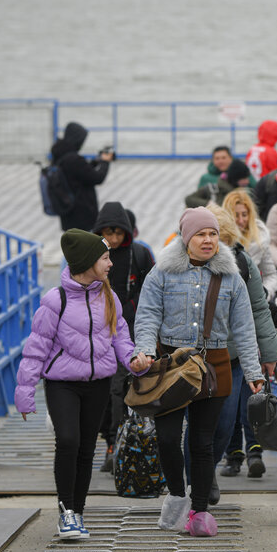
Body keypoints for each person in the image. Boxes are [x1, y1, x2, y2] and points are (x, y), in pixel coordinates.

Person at [134, 207, 265, 537]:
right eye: (200, 234)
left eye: (213, 234)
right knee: (166, 438)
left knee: (202, 443)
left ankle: (200, 510)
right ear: (185, 238)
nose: (208, 240)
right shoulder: (161, 273)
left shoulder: (230, 276)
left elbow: (244, 327)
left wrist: (252, 371)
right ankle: (178, 494)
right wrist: (145, 352)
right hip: (171, 367)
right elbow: (147, 315)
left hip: (213, 365)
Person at [15, 229, 151, 539]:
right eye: (105, 258)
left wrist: (135, 362)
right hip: (62, 384)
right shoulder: (55, 300)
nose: (110, 263)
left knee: (86, 449)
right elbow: (36, 348)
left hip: (98, 383)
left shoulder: (109, 295)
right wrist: (25, 392)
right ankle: (66, 513)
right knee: (68, 441)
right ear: (87, 262)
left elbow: (122, 340)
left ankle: (77, 511)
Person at [204, 206, 277, 490]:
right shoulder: (181, 266)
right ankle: (201, 480)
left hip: (232, 356)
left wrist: (270, 352)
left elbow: (259, 309)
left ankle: (209, 470)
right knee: (200, 424)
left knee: (225, 423)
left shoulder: (242, 262)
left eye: (219, 238)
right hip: (193, 359)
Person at [91, 202, 156, 472]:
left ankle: (118, 441)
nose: (114, 239)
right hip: (97, 332)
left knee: (120, 388)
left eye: (119, 233)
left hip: (128, 329)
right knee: (103, 389)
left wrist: (130, 308)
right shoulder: (92, 254)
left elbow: (151, 288)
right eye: (109, 233)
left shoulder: (139, 254)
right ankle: (108, 439)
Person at [49, 122, 113, 231]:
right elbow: (98, 178)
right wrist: (105, 162)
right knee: (88, 247)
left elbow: (79, 173)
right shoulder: (73, 159)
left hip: (68, 214)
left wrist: (94, 162)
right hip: (82, 217)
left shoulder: (59, 155)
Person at [222, 189, 277, 300]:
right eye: (236, 215)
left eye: (244, 214)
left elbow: (270, 274)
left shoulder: (260, 239)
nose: (241, 220)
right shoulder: (219, 240)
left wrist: (263, 294)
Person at [186, 158, 253, 208]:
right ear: (235, 179)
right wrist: (208, 204)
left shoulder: (245, 193)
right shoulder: (212, 189)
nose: (247, 181)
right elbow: (189, 199)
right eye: (244, 178)